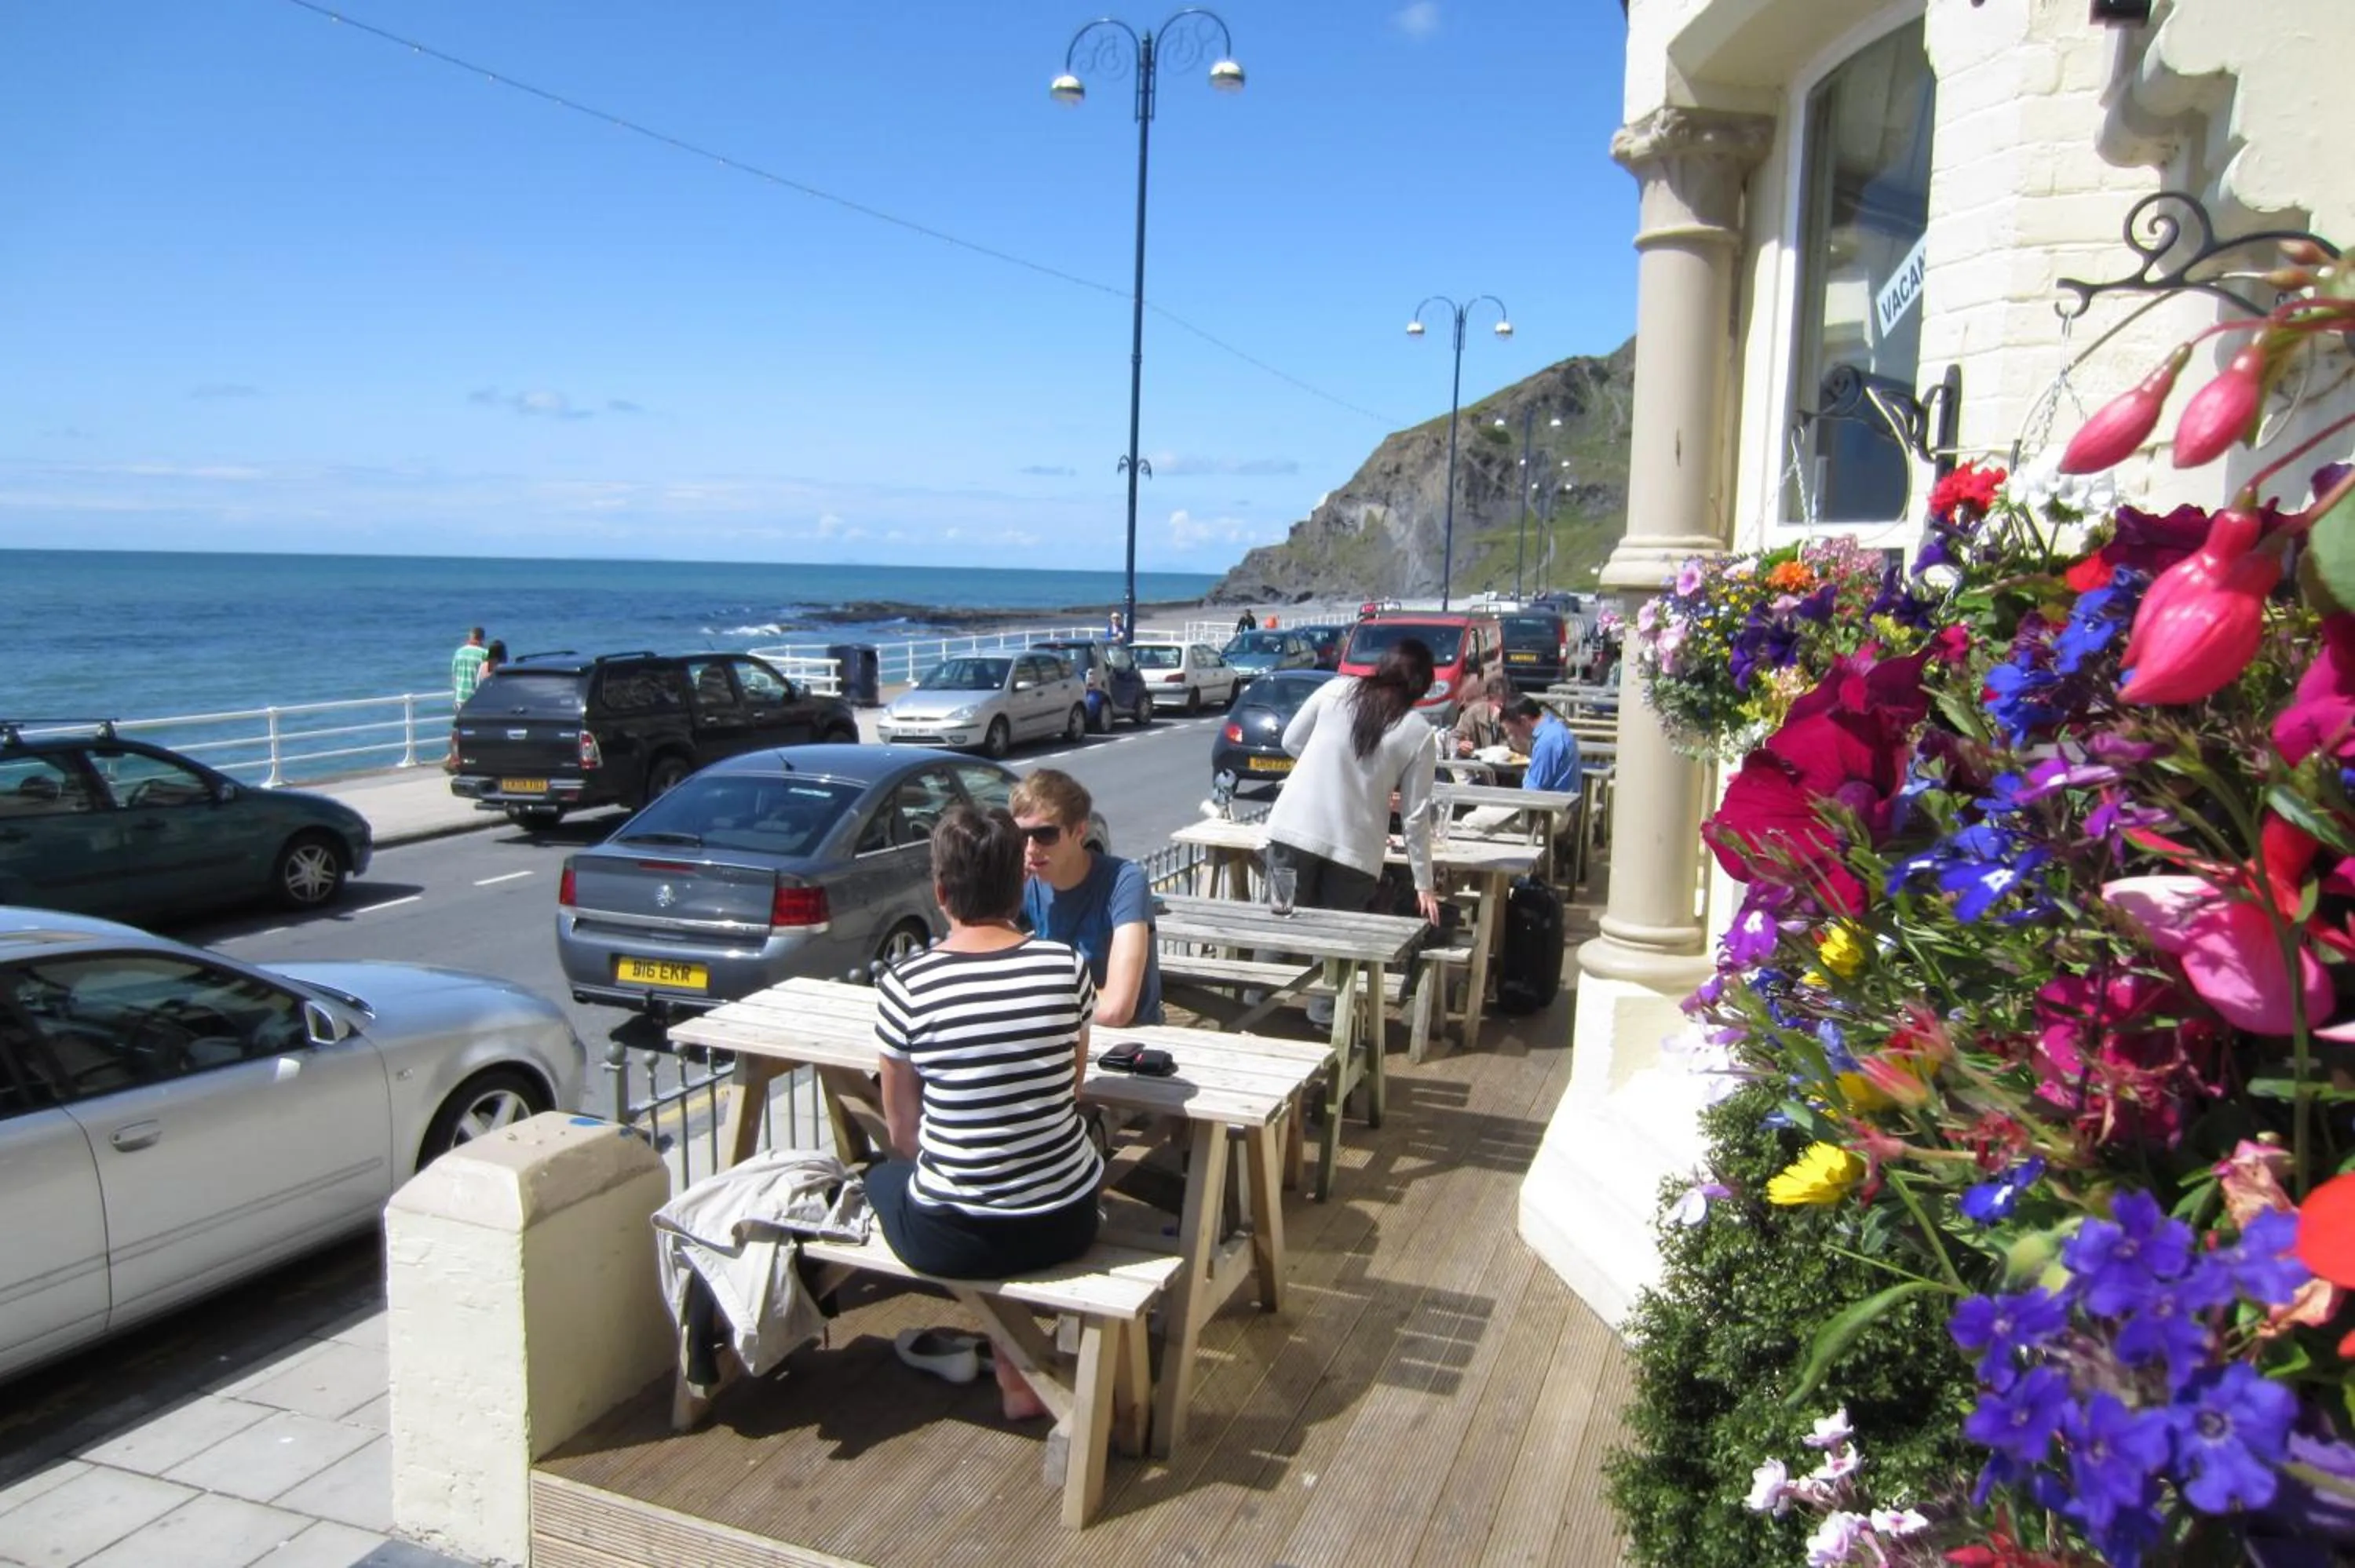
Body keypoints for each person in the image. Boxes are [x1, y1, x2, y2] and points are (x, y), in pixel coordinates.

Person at [870, 804, 1103, 1420]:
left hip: (959, 1239)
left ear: (941, 891)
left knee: (875, 1175)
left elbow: (902, 1134)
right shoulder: (1067, 967)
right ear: (1020, 883)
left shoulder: (907, 987)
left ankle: (1011, 1366)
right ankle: (1014, 1370)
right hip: (1068, 1220)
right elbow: (1071, 1089)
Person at [1265, 640, 1442, 925]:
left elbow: (1291, 741)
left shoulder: (1336, 690)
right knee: (1334, 949)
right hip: (1356, 849)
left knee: (1279, 933)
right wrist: (1424, 885)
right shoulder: (1418, 732)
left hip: (1293, 829)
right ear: (1420, 686)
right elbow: (1414, 816)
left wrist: (1328, 769)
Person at [1013, 771, 1163, 1027]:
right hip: (1060, 1033)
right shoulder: (1025, 882)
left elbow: (1117, 1009)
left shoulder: (1124, 881)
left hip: (1129, 1040)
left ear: (1079, 831)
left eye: (1046, 835)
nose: (1031, 848)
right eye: (1021, 835)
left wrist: (1034, 1001)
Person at [1502, 695, 1582, 793]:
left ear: (1523, 721)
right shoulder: (1553, 728)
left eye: (1513, 732)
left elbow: (1532, 790)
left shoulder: (1547, 741)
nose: (1513, 737)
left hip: (1553, 804)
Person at [1451, 681, 1504, 758]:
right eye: (1498, 705)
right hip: (1475, 765)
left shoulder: (1515, 717)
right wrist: (1460, 745)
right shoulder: (1473, 714)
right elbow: (1455, 738)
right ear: (1488, 700)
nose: (1501, 710)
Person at [451, 626, 488, 706]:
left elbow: (454, 677)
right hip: (477, 700)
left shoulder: (459, 652)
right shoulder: (485, 654)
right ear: (482, 639)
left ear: (470, 637)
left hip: (460, 699)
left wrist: (455, 697)